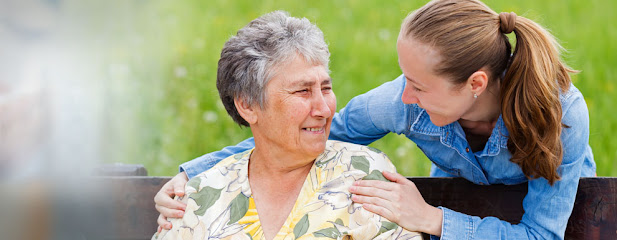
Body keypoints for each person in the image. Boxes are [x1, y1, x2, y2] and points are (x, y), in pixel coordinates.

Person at [155, 0, 596, 239]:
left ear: (476, 84)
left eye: (419, 86)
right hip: (461, 208)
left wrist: (433, 219)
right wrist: (195, 174)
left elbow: (542, 234)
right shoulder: (399, 101)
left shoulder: (561, 117)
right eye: (405, 77)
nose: (404, 95)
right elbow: (293, 137)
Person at [153, 11, 421, 240]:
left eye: (326, 88)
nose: (324, 109)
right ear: (247, 106)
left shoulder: (365, 174)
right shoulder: (201, 195)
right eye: (302, 91)